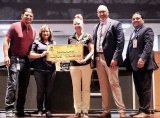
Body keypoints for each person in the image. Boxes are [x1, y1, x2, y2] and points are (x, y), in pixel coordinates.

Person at [92, 5, 126, 118]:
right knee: (103, 86)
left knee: (114, 84)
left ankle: (121, 111)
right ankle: (106, 110)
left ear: (108, 12)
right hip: (98, 58)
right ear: (97, 14)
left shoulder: (116, 24)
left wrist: (115, 58)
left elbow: (120, 43)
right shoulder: (96, 27)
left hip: (111, 59)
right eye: (99, 12)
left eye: (103, 12)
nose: (101, 14)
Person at [124, 12, 158, 118]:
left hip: (144, 64)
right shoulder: (134, 32)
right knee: (139, 89)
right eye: (133, 19)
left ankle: (145, 111)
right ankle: (141, 110)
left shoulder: (147, 30)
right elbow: (131, 49)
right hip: (135, 66)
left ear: (143, 19)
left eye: (137, 18)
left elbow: (148, 45)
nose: (135, 20)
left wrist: (142, 58)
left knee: (145, 88)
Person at [3, 8, 36, 117]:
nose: (28, 17)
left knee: (23, 86)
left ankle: (20, 110)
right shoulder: (14, 26)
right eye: (26, 15)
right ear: (22, 16)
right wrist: (6, 55)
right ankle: (9, 109)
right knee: (12, 85)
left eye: (31, 16)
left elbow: (31, 48)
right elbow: (6, 41)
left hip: (26, 61)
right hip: (14, 59)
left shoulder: (33, 31)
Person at [68, 15, 94, 118]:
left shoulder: (88, 36)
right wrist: (74, 58)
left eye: (78, 23)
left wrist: (85, 59)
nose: (77, 25)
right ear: (73, 25)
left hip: (86, 65)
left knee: (86, 88)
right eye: (75, 24)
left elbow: (92, 50)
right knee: (76, 88)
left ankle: (85, 111)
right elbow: (69, 52)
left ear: (82, 24)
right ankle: (78, 110)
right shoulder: (70, 38)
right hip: (74, 66)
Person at [29, 24, 56, 117]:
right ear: (41, 33)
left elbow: (57, 56)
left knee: (49, 91)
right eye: (44, 31)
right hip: (39, 70)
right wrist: (41, 55)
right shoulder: (36, 42)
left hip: (51, 70)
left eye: (47, 31)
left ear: (50, 33)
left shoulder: (53, 43)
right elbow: (30, 54)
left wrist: (59, 58)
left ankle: (48, 110)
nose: (45, 33)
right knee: (40, 91)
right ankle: (40, 110)